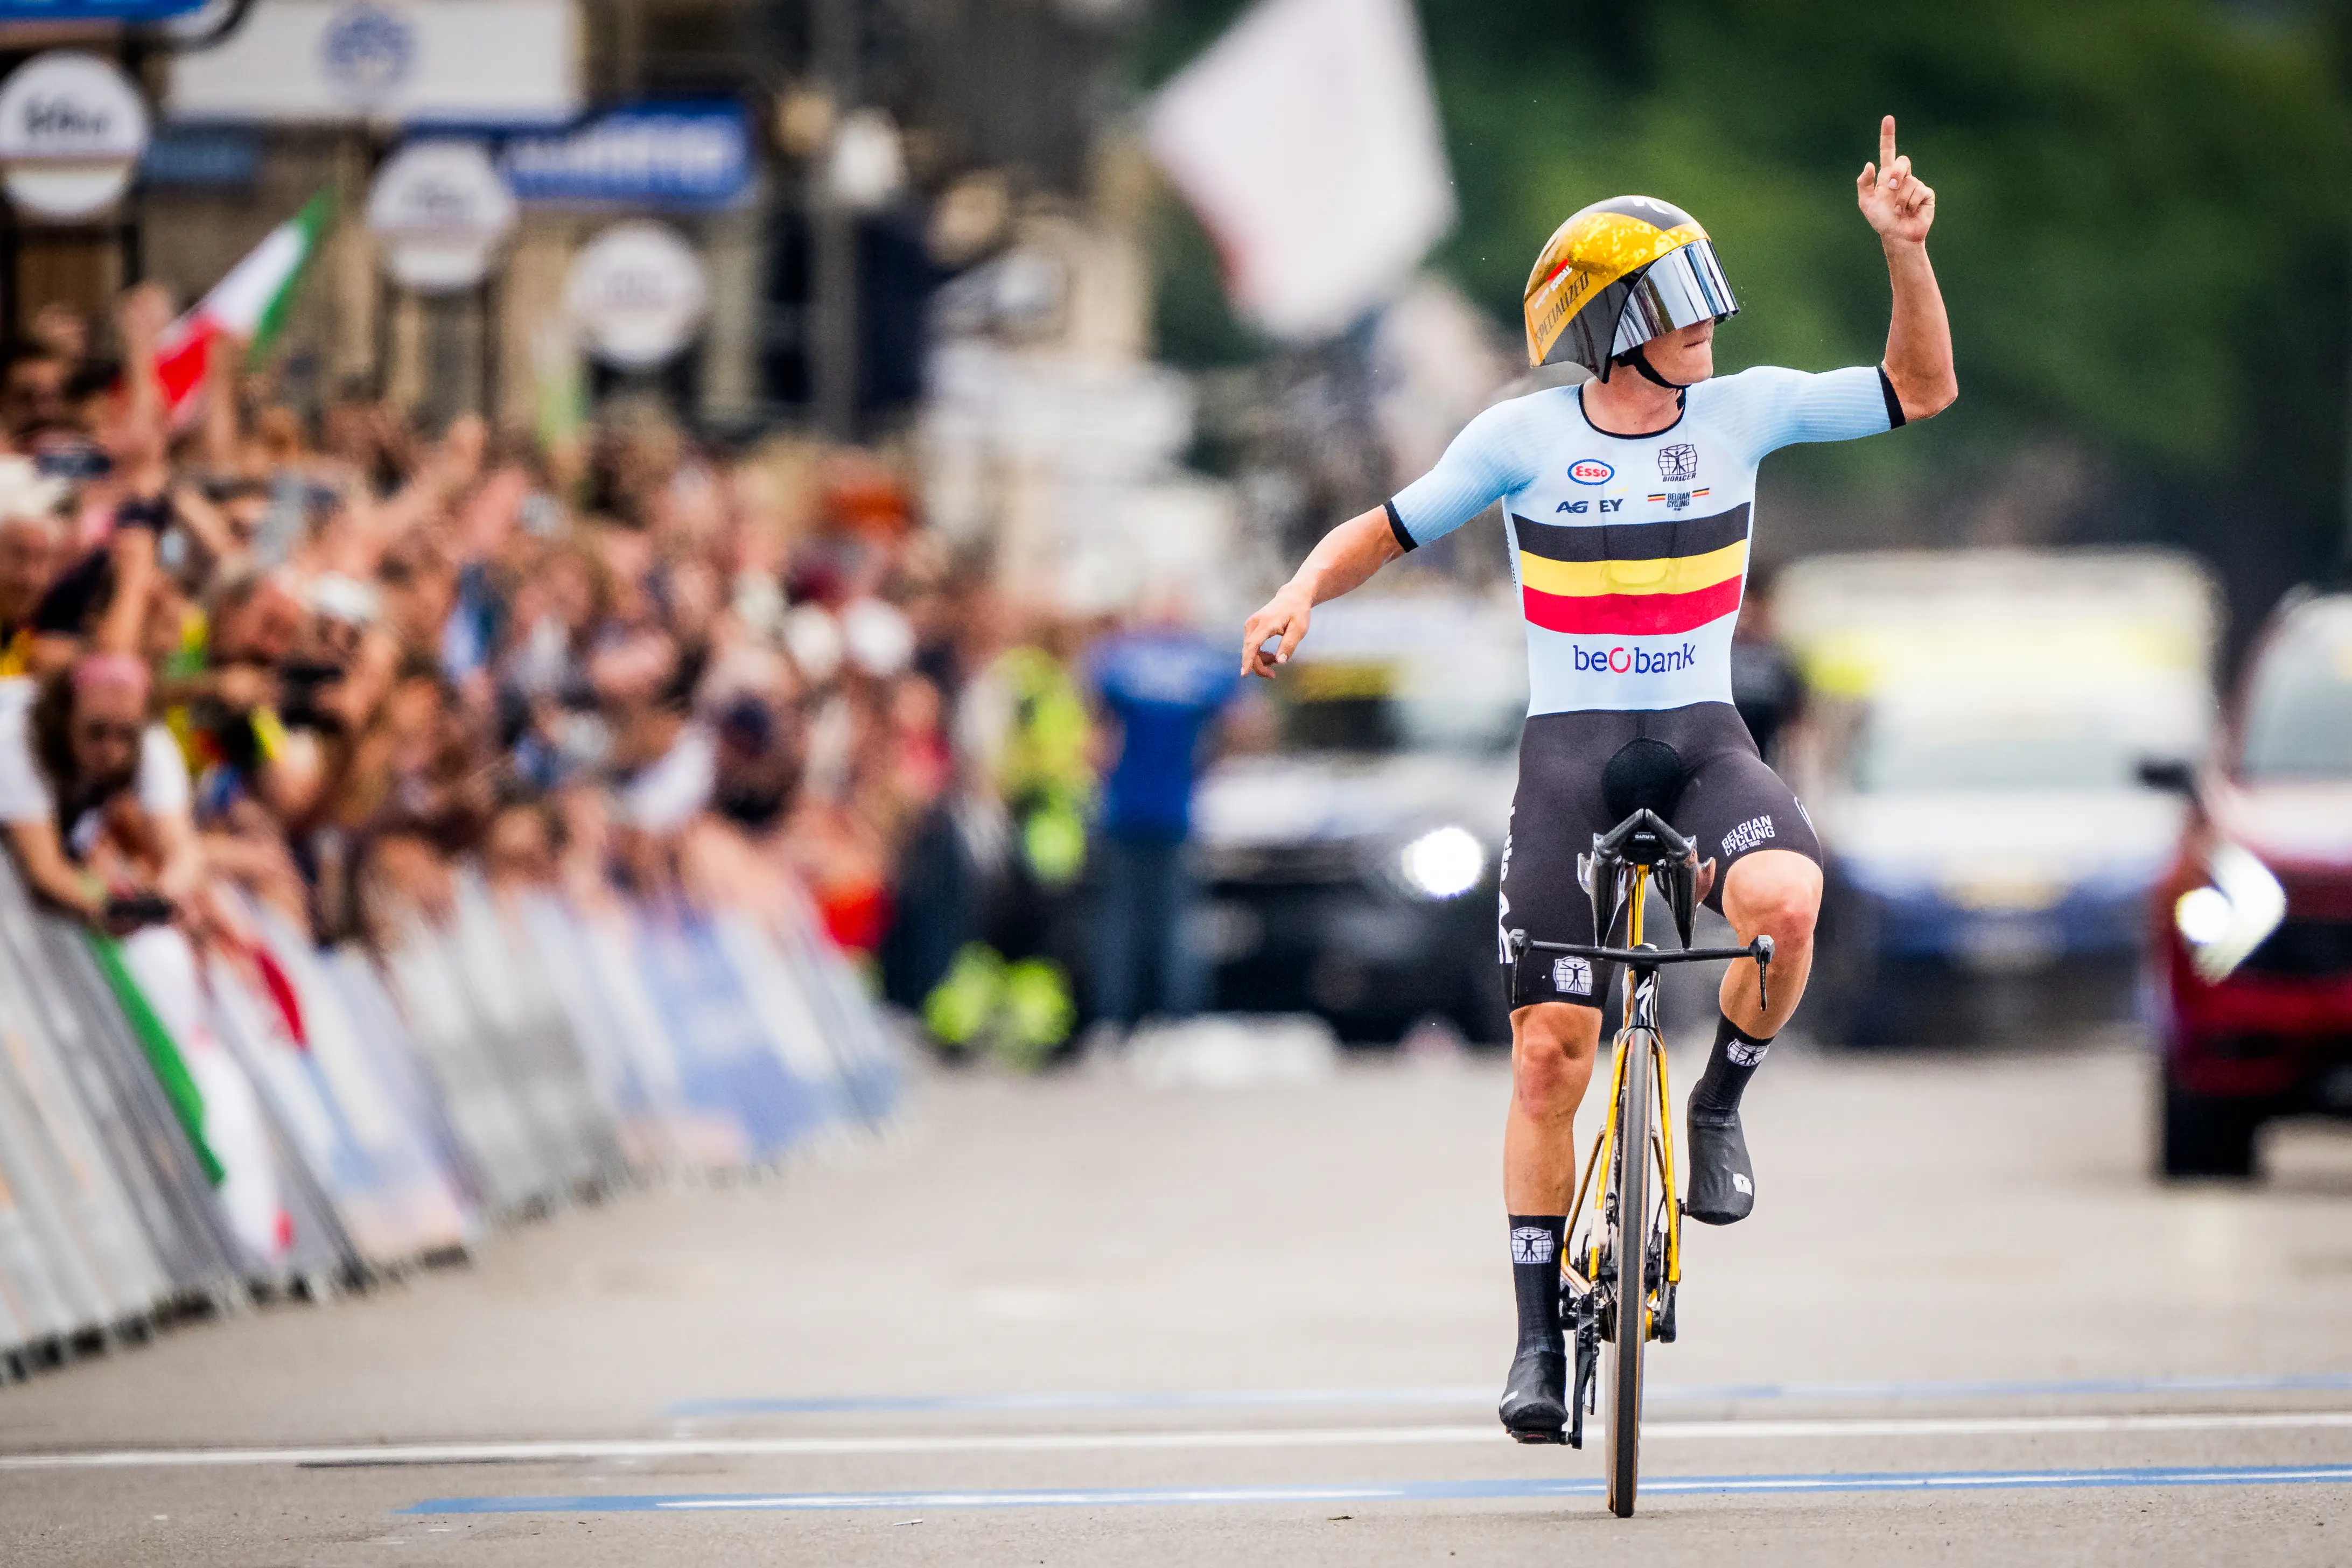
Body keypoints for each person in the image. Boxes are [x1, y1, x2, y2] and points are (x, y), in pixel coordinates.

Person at [1237, 117, 1955, 1443]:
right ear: (1612, 325)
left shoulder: (1745, 411)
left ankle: (1720, 1100)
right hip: (1570, 749)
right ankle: (1533, 1342)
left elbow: (1922, 389)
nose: (1710, 324)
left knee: (1789, 904)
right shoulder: (1519, 437)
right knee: (1547, 1056)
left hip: (1700, 736)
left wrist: (1905, 252)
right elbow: (1384, 530)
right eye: (1680, 304)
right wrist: (1297, 592)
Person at [1087, 596, 1238, 1028]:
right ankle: (1177, 1018)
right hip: (1175, 811)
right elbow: (1243, 724)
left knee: (1120, 924)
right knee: (1175, 925)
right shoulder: (1203, 667)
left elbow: (1099, 737)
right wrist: (1206, 766)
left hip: (1124, 808)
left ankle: (1116, 1017)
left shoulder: (1121, 663)